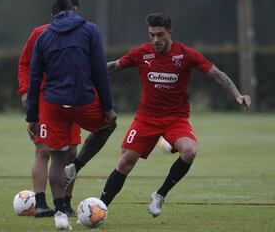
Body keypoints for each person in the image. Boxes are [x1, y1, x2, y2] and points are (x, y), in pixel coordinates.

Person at [99, 13, 251, 217]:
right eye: (152, 35)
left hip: (175, 119)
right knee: (126, 161)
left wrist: (238, 95)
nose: (155, 40)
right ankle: (99, 207)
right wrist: (88, 73)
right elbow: (115, 66)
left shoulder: (187, 55)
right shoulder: (141, 53)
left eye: (160, 34)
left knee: (189, 151)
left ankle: (160, 195)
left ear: (170, 33)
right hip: (146, 118)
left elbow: (218, 75)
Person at [26, 0, 117, 230]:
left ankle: (59, 214)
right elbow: (99, 70)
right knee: (108, 126)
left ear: (53, 16)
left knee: (57, 155)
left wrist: (32, 116)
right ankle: (76, 165)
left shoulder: (43, 36)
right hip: (83, 100)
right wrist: (108, 107)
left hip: (54, 104)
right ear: (75, 11)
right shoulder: (90, 30)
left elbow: (34, 78)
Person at [18, 0, 81, 218]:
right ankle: (41, 203)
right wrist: (26, 91)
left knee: (71, 153)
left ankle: (66, 203)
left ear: (78, 12)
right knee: (44, 149)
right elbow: (25, 62)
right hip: (46, 101)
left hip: (73, 101)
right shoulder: (40, 33)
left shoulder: (83, 33)